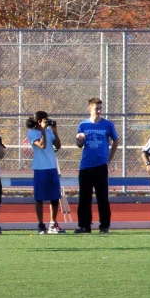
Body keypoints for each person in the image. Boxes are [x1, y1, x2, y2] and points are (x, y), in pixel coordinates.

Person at [74, 97, 119, 234]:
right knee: (84, 198)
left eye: (100, 108)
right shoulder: (83, 125)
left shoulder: (107, 125)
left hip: (100, 166)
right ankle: (84, 226)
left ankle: (104, 225)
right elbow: (79, 145)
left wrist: (109, 160)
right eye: (96, 108)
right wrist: (79, 140)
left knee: (102, 197)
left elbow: (115, 140)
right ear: (90, 109)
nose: (99, 111)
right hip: (86, 165)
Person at [26, 110, 64, 234]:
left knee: (54, 197)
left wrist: (55, 130)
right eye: (45, 119)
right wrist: (42, 130)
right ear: (39, 121)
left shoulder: (48, 131)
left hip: (52, 167)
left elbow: (58, 146)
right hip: (40, 168)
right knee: (39, 198)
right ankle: (41, 225)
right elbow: (42, 145)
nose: (47, 121)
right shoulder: (31, 133)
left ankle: (53, 224)